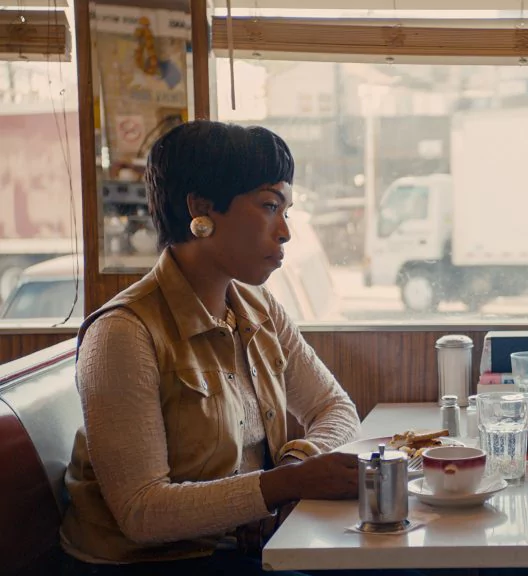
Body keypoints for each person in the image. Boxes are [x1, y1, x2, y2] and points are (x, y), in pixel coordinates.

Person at [60, 121, 364, 575]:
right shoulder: (123, 333)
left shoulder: (258, 308)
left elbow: (336, 408)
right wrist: (276, 489)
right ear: (201, 210)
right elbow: (142, 512)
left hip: (237, 548)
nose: (285, 232)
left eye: (287, 211)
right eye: (269, 205)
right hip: (148, 563)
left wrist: (296, 464)